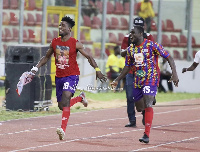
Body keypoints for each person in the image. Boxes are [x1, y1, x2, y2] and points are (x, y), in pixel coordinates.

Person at [29, 16, 107, 140]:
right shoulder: (54, 42)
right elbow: (46, 57)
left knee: (65, 98)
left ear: (69, 29)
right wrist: (35, 68)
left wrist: (97, 71)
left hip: (72, 76)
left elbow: (89, 57)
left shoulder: (75, 43)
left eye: (63, 26)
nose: (60, 27)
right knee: (62, 105)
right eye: (60, 25)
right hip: (59, 77)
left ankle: (63, 130)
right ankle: (80, 98)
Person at [111, 25, 179, 143]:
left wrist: (175, 74)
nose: (130, 35)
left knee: (147, 104)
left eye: (133, 33)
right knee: (139, 107)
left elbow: (169, 57)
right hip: (138, 80)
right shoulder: (131, 49)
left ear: (140, 34)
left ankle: (146, 135)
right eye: (130, 33)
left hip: (151, 78)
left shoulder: (152, 45)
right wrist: (117, 79)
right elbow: (127, 67)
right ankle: (150, 100)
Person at [121, 17, 154, 128]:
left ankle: (145, 111)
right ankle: (132, 119)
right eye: (136, 26)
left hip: (143, 71)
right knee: (130, 96)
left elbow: (153, 51)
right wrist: (131, 47)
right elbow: (122, 53)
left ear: (143, 27)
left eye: (140, 26)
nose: (138, 28)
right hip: (131, 70)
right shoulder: (128, 37)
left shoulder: (148, 37)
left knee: (144, 94)